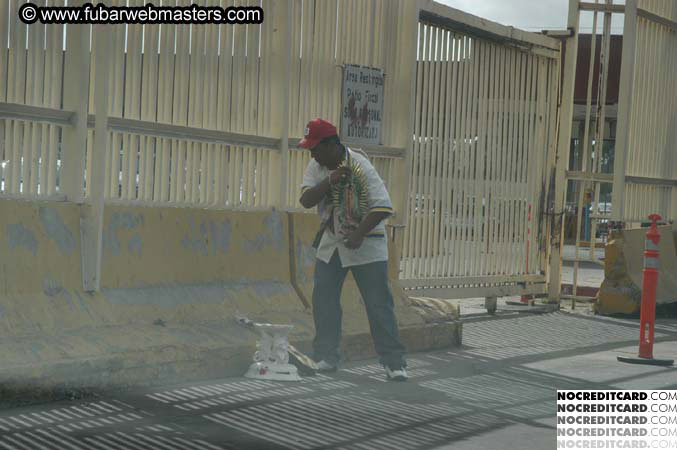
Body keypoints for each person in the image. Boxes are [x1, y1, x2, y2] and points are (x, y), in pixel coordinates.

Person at [298, 118, 408, 381]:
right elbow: (305, 200)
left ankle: (394, 362)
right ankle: (326, 356)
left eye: (316, 148)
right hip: (333, 244)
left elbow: (383, 207)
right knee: (324, 300)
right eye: (310, 150)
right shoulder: (317, 167)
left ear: (332, 145)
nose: (312, 154)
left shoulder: (361, 165)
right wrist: (330, 181)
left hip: (366, 243)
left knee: (378, 304)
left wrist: (359, 235)